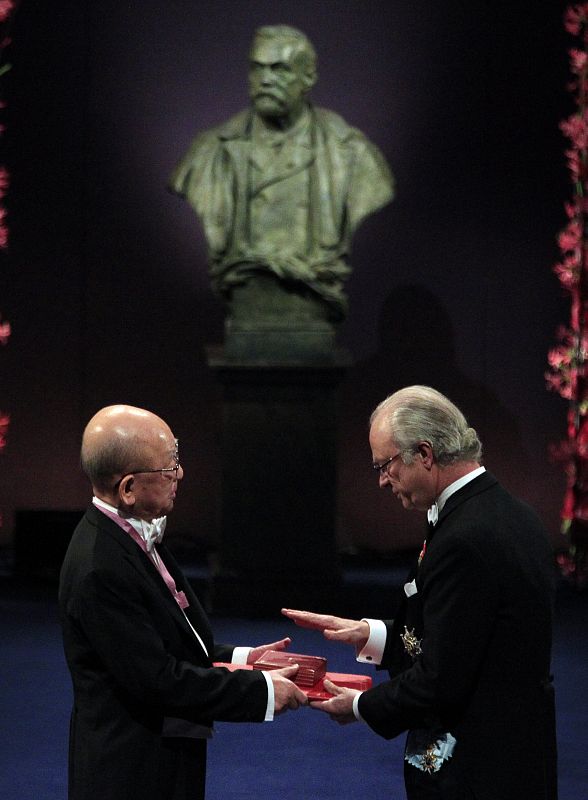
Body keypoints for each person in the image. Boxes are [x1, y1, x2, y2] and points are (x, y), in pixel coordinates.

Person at [283, 385, 557, 800]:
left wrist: (359, 706)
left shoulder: (466, 535)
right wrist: (371, 634)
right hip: (512, 755)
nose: (381, 481)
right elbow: (461, 633)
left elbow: (443, 677)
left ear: (425, 454)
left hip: (478, 771)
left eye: (385, 465)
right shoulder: (506, 513)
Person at [59, 404, 307, 800]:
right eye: (169, 465)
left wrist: (246, 659)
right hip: (128, 772)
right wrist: (261, 690)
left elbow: (171, 640)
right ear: (128, 488)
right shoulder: (99, 568)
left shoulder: (132, 534)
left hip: (160, 754)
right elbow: (159, 680)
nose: (180, 474)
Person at [169, 24, 393, 323]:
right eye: (257, 69)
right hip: (246, 307)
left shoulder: (352, 155)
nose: (265, 79)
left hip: (311, 309)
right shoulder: (210, 151)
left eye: (280, 69)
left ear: (308, 78)